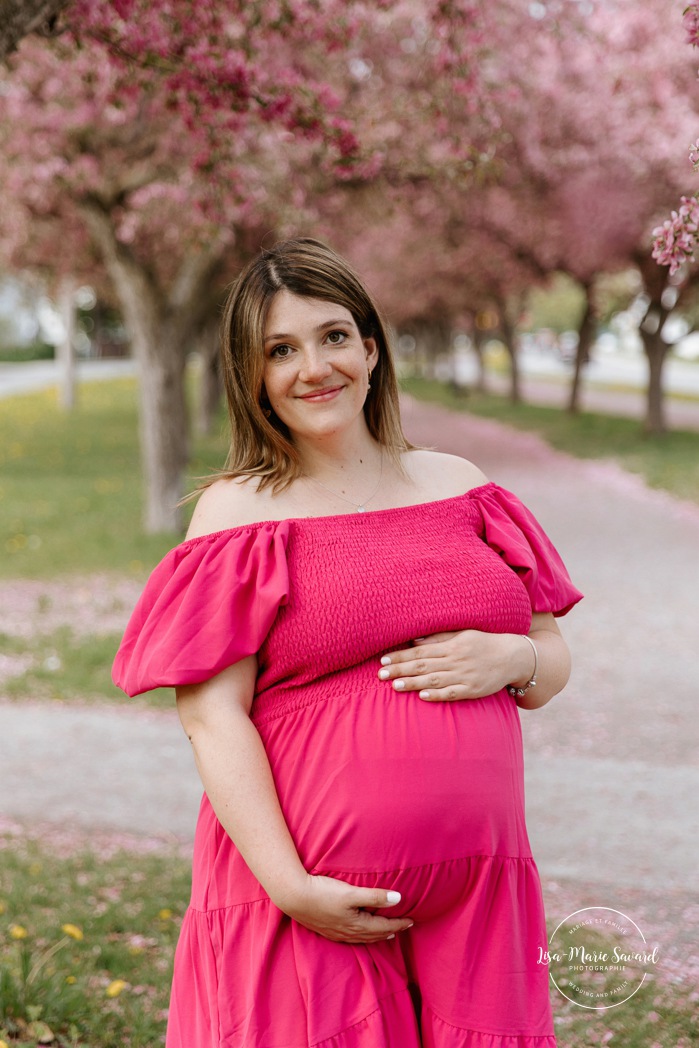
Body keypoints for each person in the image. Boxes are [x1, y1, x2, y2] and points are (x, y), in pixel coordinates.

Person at [113, 237, 582, 1048]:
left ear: (369, 347)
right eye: (280, 350)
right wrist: (289, 885)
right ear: (251, 375)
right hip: (306, 898)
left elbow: (547, 657)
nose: (314, 367)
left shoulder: (461, 484)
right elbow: (211, 716)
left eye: (332, 336)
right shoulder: (239, 512)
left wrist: (515, 658)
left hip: (479, 890)